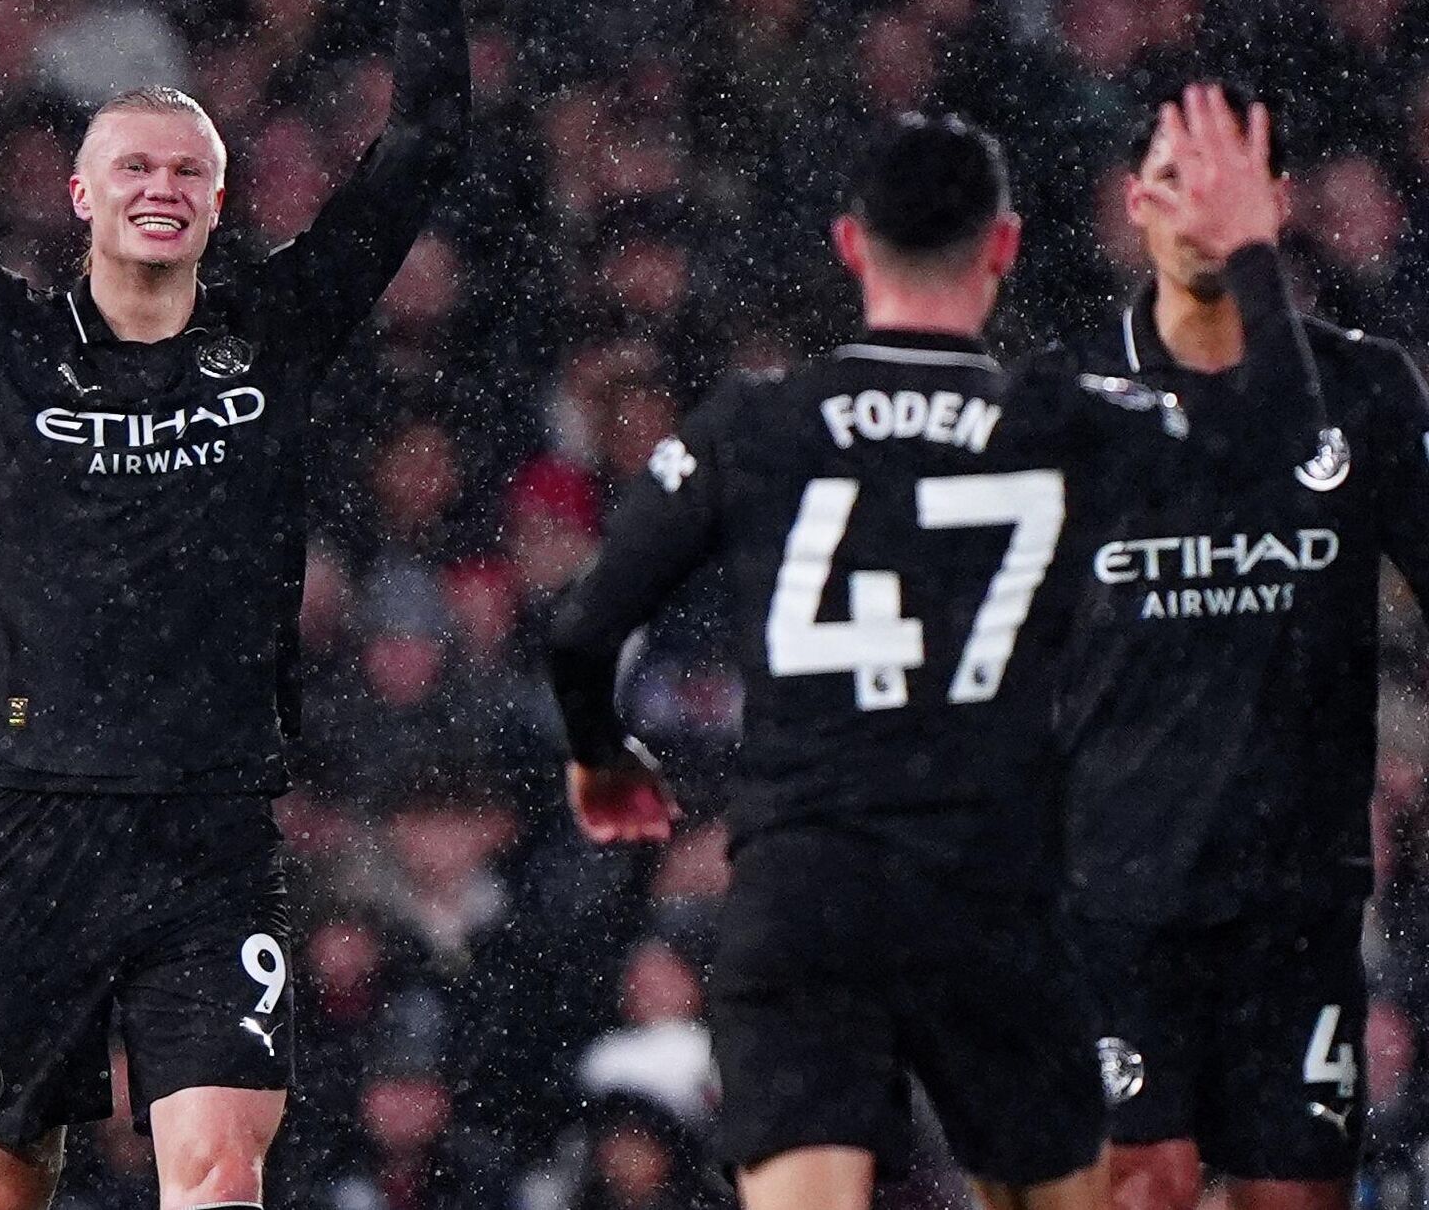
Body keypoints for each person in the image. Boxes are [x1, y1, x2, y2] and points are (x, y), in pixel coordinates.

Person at [0, 0, 468, 1210]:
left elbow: (420, 149)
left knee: (219, 1172)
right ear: (80, 193)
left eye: (187, 166)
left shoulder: (274, 333)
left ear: (220, 201)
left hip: (211, 832)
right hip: (34, 825)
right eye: (131, 163)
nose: (160, 182)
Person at [545, 90, 1314, 1210]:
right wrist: (1243, 254)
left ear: (851, 244)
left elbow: (581, 631)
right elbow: (1282, 453)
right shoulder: (1059, 420)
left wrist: (600, 754)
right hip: (990, 888)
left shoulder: (756, 423)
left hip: (808, 886)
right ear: (1002, 246)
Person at [1060, 84, 1429, 1210]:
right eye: (1177, 179)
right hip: (1117, 898)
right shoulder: (1067, 400)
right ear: (1135, 206)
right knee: (1144, 1189)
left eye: (1231, 182)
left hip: (1297, 899)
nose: (1204, 209)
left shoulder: (1365, 388)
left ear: (1277, 204)